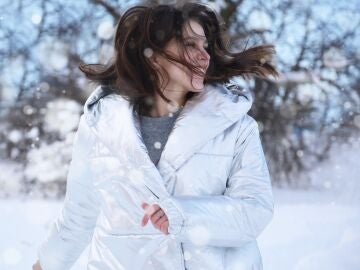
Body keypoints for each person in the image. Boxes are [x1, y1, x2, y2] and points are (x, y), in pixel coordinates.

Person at [33, 2, 278, 270]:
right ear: (153, 55)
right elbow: (78, 216)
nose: (204, 55)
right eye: (190, 44)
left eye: (205, 46)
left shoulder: (235, 126)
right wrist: (44, 265)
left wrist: (182, 214)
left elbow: (254, 211)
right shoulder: (101, 125)